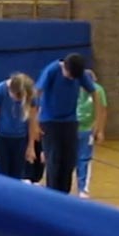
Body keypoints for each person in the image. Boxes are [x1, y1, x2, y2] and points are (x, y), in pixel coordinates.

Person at [35, 54, 97, 193]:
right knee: (54, 160)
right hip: (50, 121)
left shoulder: (78, 72)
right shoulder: (52, 70)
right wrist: (34, 121)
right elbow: (37, 91)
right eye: (69, 75)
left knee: (69, 161)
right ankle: (52, 194)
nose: (71, 79)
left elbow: (94, 92)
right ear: (65, 66)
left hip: (70, 121)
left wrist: (96, 120)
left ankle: (64, 194)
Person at [0, 72, 39, 180]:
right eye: (17, 98)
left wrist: (31, 146)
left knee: (17, 176)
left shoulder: (30, 94)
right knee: (2, 176)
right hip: (2, 139)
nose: (18, 102)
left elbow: (32, 122)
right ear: (11, 90)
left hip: (21, 139)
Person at [75, 72, 109, 197]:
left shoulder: (98, 90)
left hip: (87, 129)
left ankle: (83, 188)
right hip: (72, 128)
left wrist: (99, 130)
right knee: (69, 159)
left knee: (84, 158)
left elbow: (103, 111)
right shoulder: (73, 88)